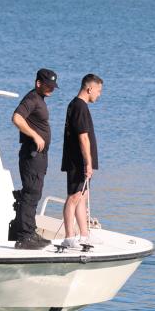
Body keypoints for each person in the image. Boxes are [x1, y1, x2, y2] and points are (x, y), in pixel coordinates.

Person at [10, 68, 58, 250]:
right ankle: (24, 237)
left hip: (39, 156)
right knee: (31, 193)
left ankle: (29, 231)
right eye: (48, 85)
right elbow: (16, 118)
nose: (51, 89)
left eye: (53, 86)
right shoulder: (31, 98)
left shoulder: (40, 99)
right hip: (32, 155)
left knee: (35, 192)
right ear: (38, 83)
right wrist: (35, 136)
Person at [59, 74, 103, 248]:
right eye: (98, 91)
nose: (99, 95)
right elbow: (83, 137)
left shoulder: (77, 105)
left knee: (82, 196)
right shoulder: (79, 107)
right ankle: (69, 237)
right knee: (74, 197)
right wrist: (88, 163)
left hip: (80, 161)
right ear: (89, 88)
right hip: (78, 161)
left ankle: (84, 235)